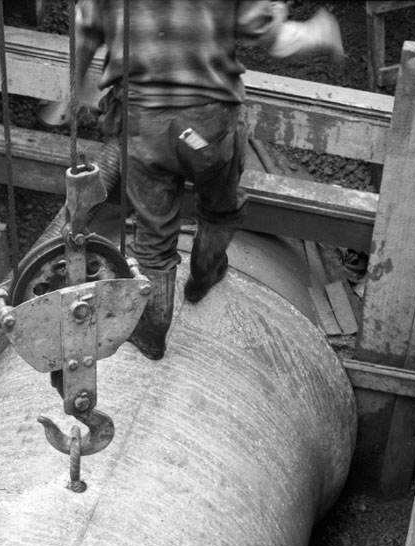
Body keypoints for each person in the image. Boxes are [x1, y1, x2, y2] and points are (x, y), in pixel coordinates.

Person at [69, 1, 344, 360]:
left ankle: (152, 334)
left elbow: (84, 28)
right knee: (218, 210)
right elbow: (281, 42)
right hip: (207, 127)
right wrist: (320, 32)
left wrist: (76, 90)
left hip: (146, 125)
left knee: (153, 237)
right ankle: (202, 275)